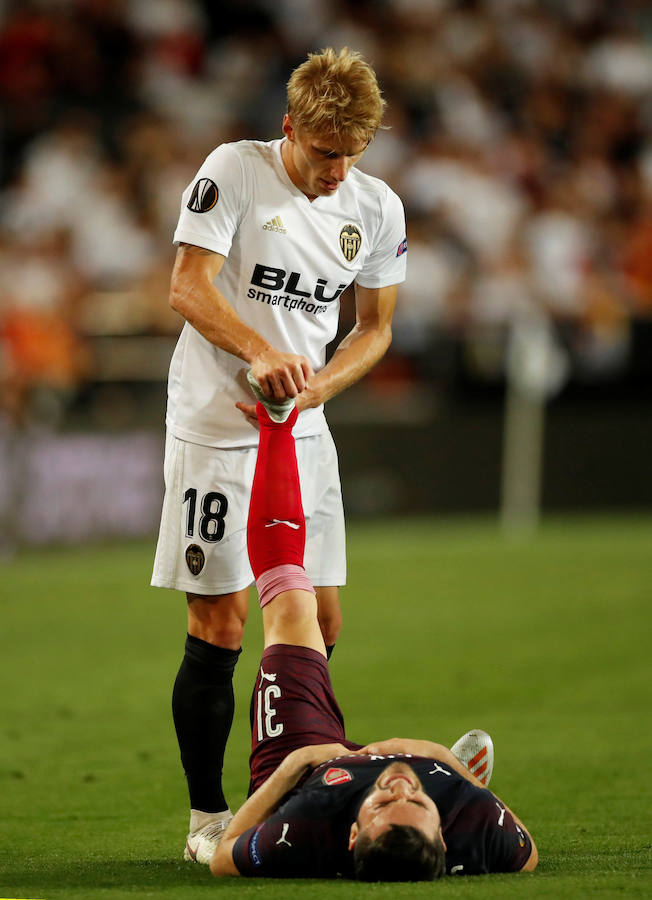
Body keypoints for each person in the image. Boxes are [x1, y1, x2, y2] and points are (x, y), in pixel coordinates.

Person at [150, 47, 408, 859]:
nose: (337, 171)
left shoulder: (376, 207)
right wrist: (261, 352)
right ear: (289, 126)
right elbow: (188, 286)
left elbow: (375, 329)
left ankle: (303, 785)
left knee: (320, 623)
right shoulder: (234, 169)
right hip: (216, 430)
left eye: (351, 155)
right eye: (324, 152)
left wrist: (321, 388)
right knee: (220, 626)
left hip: (302, 432)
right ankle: (207, 819)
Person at [204, 382, 538, 880]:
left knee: (295, 609)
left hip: (305, 774)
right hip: (434, 784)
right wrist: (441, 761)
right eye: (417, 803)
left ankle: (276, 423)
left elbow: (224, 858)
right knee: (443, 780)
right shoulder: (477, 833)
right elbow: (529, 854)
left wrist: (300, 763)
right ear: (443, 833)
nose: (400, 786)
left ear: (354, 834)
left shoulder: (304, 830)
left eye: (384, 803)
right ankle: (464, 777)